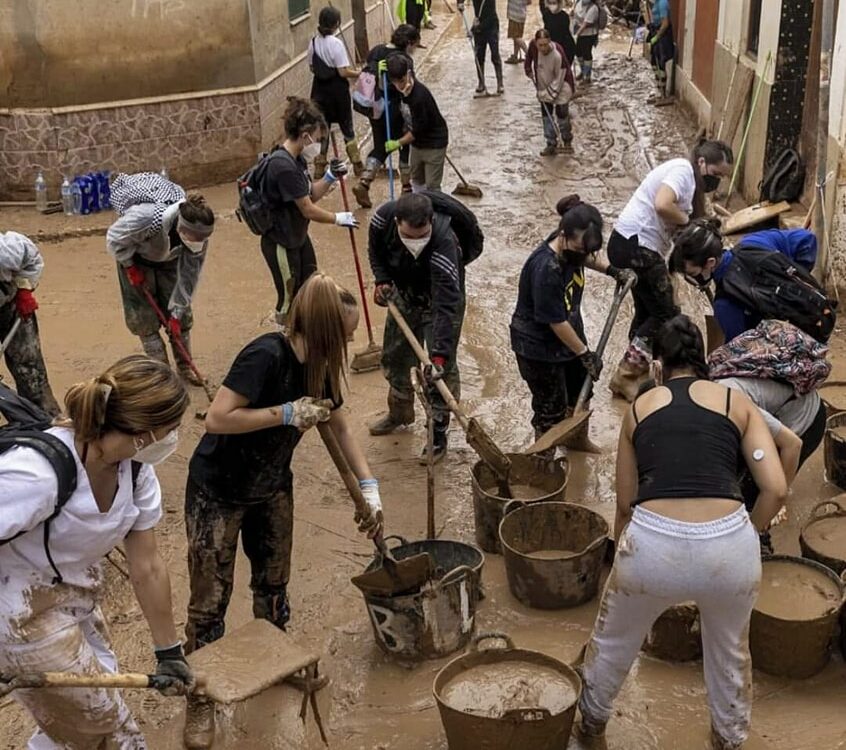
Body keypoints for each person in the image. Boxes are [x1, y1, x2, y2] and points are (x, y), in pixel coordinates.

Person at [183, 273, 383, 747]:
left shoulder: (321, 363)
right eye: (345, 335)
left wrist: (369, 485)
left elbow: (339, 425)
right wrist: (287, 414)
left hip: (272, 485)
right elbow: (218, 417)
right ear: (320, 330)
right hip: (219, 490)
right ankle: (200, 695)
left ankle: (275, 659)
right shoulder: (265, 356)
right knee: (210, 600)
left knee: (273, 582)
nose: (349, 344)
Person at [575, 315, 787, 750]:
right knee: (729, 654)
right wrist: (748, 531)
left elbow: (623, 503)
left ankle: (592, 727)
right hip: (729, 549)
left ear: (658, 367)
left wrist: (620, 565)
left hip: (652, 545)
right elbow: (776, 488)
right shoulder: (735, 403)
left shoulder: (639, 409)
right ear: (704, 362)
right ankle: (728, 739)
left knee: (614, 641)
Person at [0, 355, 193, 749]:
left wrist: (169, 651)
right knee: (109, 731)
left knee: (93, 690)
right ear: (142, 433)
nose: (174, 439)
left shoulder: (135, 470)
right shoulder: (36, 474)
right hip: (17, 618)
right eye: (170, 430)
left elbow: (148, 565)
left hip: (74, 595)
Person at [607, 139, 734, 401]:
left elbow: (680, 236)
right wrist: (690, 223)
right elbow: (663, 205)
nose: (718, 181)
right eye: (716, 173)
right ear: (701, 163)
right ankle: (626, 374)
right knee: (666, 314)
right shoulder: (683, 171)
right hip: (636, 245)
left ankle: (638, 375)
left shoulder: (693, 186)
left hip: (631, 244)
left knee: (648, 312)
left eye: (723, 177)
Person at [511, 195, 635, 454]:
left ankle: (576, 441)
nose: (584, 256)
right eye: (580, 250)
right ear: (563, 236)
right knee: (550, 408)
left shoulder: (571, 246)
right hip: (539, 347)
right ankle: (543, 459)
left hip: (568, 334)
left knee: (583, 388)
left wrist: (611, 270)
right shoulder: (546, 268)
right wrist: (584, 353)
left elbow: (584, 257)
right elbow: (555, 323)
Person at [368, 193, 467, 462]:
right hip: (404, 289)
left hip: (440, 299)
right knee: (396, 353)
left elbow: (447, 306)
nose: (415, 241)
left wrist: (438, 356)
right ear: (397, 221)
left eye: (421, 235)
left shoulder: (445, 243)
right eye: (408, 236)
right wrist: (382, 280)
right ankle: (400, 412)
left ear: (431, 222)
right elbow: (376, 252)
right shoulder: (382, 221)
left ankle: (438, 434)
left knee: (440, 372)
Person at [258, 97, 358, 326]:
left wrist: (330, 177)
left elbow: (309, 194)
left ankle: (303, 333)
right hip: (281, 243)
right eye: (318, 138)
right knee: (289, 298)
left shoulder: (297, 160)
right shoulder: (282, 166)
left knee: (310, 286)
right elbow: (307, 209)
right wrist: (337, 218)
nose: (318, 143)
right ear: (305, 135)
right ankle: (284, 338)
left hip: (297, 237)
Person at [107, 174, 215, 384]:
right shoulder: (145, 218)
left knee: (182, 319)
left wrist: (176, 313)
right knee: (144, 319)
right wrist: (129, 266)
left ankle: (185, 367)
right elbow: (114, 239)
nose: (200, 243)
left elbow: (189, 277)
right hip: (136, 258)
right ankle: (161, 375)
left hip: (169, 262)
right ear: (181, 227)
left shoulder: (198, 237)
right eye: (195, 238)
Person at [670, 223, 819, 343]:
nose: (692, 280)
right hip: (818, 317)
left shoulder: (725, 303)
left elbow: (737, 354)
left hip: (794, 353)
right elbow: (806, 238)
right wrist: (796, 278)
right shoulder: (754, 243)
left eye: (693, 274)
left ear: (710, 262)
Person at [353, 24, 421, 208]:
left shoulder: (376, 50)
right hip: (394, 109)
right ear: (408, 43)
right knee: (404, 145)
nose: (414, 49)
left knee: (381, 147)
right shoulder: (404, 59)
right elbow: (408, 87)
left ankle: (364, 182)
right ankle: (406, 190)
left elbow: (367, 68)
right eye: (414, 44)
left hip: (375, 109)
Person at [0, 231, 60, 415]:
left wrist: (24, 288)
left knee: (31, 370)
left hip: (11, 305)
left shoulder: (7, 250)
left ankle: (46, 422)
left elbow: (31, 256)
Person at [307, 6, 364, 179]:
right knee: (347, 128)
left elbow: (311, 67)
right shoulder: (336, 44)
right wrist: (359, 73)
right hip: (337, 92)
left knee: (321, 129)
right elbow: (343, 72)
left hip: (318, 90)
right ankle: (357, 165)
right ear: (337, 24)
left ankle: (319, 167)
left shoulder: (313, 43)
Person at [387, 55, 450, 192]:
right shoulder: (396, 89)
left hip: (434, 142)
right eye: (395, 82)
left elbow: (417, 131)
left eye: (402, 81)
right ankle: (419, 209)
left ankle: (436, 211)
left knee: (432, 185)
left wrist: (398, 143)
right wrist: (378, 74)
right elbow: (381, 90)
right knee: (417, 179)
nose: (399, 86)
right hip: (417, 145)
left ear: (408, 74)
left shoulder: (419, 97)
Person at [525, 29, 576, 156]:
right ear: (536, 43)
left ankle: (566, 139)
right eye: (540, 45)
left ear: (550, 41)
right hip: (543, 83)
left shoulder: (558, 54)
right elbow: (529, 57)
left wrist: (547, 94)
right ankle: (551, 143)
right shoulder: (533, 46)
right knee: (546, 115)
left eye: (545, 45)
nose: (543, 48)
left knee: (562, 113)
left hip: (562, 83)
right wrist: (528, 70)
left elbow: (559, 79)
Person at [458, 0, 504, 96]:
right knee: (479, 56)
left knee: (495, 55)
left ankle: (500, 83)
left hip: (491, 27)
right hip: (479, 27)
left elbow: (491, 17)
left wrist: (474, 29)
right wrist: (460, 3)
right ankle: (481, 83)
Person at [648, 0, 674, 96]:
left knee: (661, 62)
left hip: (663, 35)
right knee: (654, 62)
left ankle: (662, 90)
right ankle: (658, 87)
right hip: (656, 30)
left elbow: (665, 23)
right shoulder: (656, 2)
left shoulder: (663, 3)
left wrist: (657, 37)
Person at [540, 0, 576, 65]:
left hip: (565, 47)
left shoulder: (564, 16)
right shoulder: (546, 15)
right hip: (551, 47)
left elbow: (565, 33)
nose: (552, 5)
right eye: (550, 3)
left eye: (554, 3)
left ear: (559, 3)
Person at [572, 0, 600, 83]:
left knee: (586, 53)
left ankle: (587, 76)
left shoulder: (593, 8)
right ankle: (583, 71)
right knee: (578, 52)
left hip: (589, 34)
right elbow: (574, 15)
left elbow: (585, 24)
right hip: (579, 33)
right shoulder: (578, 3)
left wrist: (576, 35)